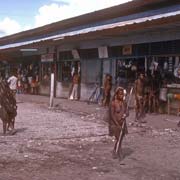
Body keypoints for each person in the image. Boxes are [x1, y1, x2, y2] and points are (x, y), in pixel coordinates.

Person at [109, 87, 128, 159]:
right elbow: (112, 115)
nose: (122, 96)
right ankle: (116, 151)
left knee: (120, 138)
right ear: (116, 94)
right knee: (118, 138)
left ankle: (117, 150)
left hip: (122, 124)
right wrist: (117, 123)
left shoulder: (124, 103)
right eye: (120, 94)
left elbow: (127, 112)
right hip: (115, 124)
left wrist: (126, 114)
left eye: (123, 94)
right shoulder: (113, 103)